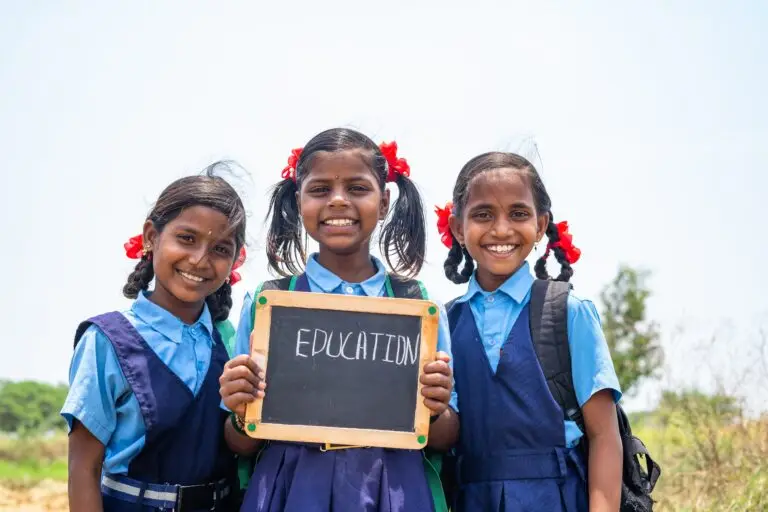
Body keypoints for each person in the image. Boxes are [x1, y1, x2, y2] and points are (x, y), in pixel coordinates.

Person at [220, 128, 458, 511]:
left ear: (383, 203)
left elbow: (445, 436)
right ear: (299, 201)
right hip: (291, 488)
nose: (338, 201)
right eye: (319, 190)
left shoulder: (419, 306)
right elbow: (240, 441)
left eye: (357, 188)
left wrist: (437, 405)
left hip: (391, 489)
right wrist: (238, 409)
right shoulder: (269, 302)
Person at [436, 151, 623, 511]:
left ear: (540, 226)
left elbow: (604, 436)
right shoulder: (444, 322)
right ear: (458, 228)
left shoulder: (568, 312)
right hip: (470, 499)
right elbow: (444, 430)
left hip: (556, 498)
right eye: (483, 214)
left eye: (518, 213)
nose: (501, 229)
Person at [62, 164, 247, 511]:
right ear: (151, 236)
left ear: (235, 259)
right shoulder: (107, 340)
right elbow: (83, 468)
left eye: (221, 248)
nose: (199, 259)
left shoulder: (231, 341)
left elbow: (241, 442)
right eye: (187, 239)